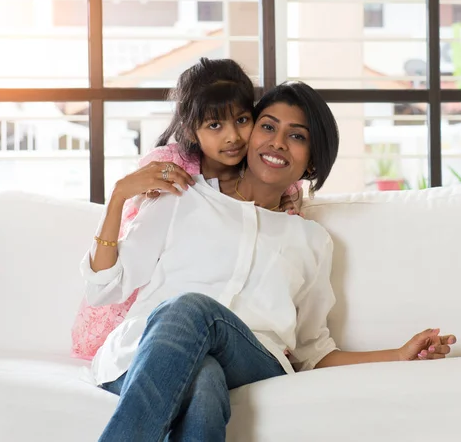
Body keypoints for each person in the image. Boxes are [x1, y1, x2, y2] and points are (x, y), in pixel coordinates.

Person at [81, 81, 457, 441]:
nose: (277, 142)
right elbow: (104, 289)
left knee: (189, 309)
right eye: (268, 127)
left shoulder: (311, 241)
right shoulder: (183, 196)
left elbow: (314, 350)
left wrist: (398, 354)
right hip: (144, 353)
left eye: (296, 136)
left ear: (311, 163)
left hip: (251, 361)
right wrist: (117, 199)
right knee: (204, 382)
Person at [71, 58, 302, 360]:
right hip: (147, 304)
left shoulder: (269, 177)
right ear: (192, 131)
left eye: (242, 120)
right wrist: (121, 195)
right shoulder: (174, 174)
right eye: (215, 125)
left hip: (223, 329)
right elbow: (125, 268)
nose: (232, 136)